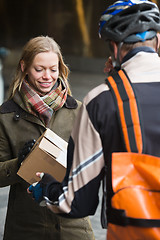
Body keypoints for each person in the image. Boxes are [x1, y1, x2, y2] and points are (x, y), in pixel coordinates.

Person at [28, 1, 160, 239]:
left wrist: (46, 187)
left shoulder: (101, 101)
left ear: (113, 46)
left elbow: (75, 202)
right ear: (158, 41)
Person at [0, 36, 95, 240]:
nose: (47, 76)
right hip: (27, 228)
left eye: (53, 69)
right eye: (39, 69)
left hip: (74, 227)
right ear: (24, 66)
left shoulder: (78, 110)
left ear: (60, 69)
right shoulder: (5, 116)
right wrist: (20, 164)